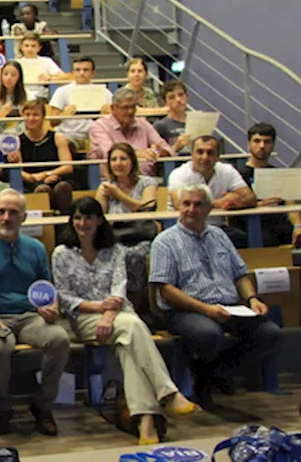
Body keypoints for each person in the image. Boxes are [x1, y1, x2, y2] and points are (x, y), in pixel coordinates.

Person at [53, 198, 197, 444]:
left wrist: (109, 315)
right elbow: (65, 298)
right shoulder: (61, 253)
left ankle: (146, 425)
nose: (82, 223)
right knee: (134, 326)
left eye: (88, 217)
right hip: (86, 316)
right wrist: (100, 308)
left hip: (118, 313)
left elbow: (119, 287)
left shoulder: (115, 250)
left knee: (127, 345)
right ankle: (168, 393)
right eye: (77, 217)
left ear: (99, 220)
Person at [149, 184, 283, 409]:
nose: (191, 209)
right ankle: (206, 380)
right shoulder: (165, 241)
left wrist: (252, 299)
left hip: (230, 306)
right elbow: (165, 289)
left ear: (209, 208)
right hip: (186, 310)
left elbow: (240, 275)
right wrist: (205, 309)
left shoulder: (219, 236)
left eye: (198, 204)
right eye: (186, 204)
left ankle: (213, 372)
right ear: (179, 207)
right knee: (209, 334)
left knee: (271, 334)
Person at [0, 190, 69, 437]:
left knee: (60, 339)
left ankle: (43, 405)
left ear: (24, 217)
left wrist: (53, 308)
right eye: (1, 212)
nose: (6, 217)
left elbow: (48, 289)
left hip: (30, 317)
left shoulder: (37, 248)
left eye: (13, 213)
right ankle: (2, 407)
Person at [167, 136, 256, 241]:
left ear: (218, 156)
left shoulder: (227, 170)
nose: (205, 157)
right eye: (200, 152)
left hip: (217, 228)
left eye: (210, 153)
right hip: (184, 228)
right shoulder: (179, 174)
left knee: (244, 240)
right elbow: (179, 204)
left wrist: (235, 201)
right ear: (192, 155)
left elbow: (250, 198)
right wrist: (220, 202)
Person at [237, 123, 301, 248]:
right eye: (257, 141)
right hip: (255, 226)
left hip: (281, 225)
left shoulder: (279, 173)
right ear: (249, 144)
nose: (262, 146)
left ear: (273, 145)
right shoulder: (237, 175)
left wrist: (298, 227)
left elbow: (291, 206)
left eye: (267, 142)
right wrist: (259, 205)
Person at [89, 87, 174, 178]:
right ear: (113, 108)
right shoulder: (100, 126)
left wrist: (158, 151)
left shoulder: (143, 123)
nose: (130, 111)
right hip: (113, 181)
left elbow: (167, 148)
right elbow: (110, 154)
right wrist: (139, 154)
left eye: (133, 107)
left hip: (147, 180)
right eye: (125, 107)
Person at [13, 99, 75, 215]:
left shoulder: (58, 137)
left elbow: (68, 166)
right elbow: (19, 170)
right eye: (27, 115)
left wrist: (46, 174)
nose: (31, 118)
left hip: (56, 177)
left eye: (35, 115)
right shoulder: (18, 140)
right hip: (32, 182)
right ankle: (48, 228)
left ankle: (66, 224)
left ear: (43, 117)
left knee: (62, 187)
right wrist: (33, 177)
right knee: (42, 190)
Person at [48, 56, 110, 152]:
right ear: (73, 73)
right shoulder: (62, 91)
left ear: (93, 73)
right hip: (68, 135)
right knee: (63, 143)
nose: (81, 73)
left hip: (96, 134)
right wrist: (63, 115)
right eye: (78, 70)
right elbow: (52, 122)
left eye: (86, 70)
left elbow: (114, 117)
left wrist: (105, 115)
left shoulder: (103, 92)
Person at [152, 80, 192, 153]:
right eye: (172, 97)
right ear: (165, 102)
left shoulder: (196, 121)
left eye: (181, 95)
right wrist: (176, 147)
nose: (178, 100)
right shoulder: (160, 126)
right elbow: (155, 152)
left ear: (187, 96)